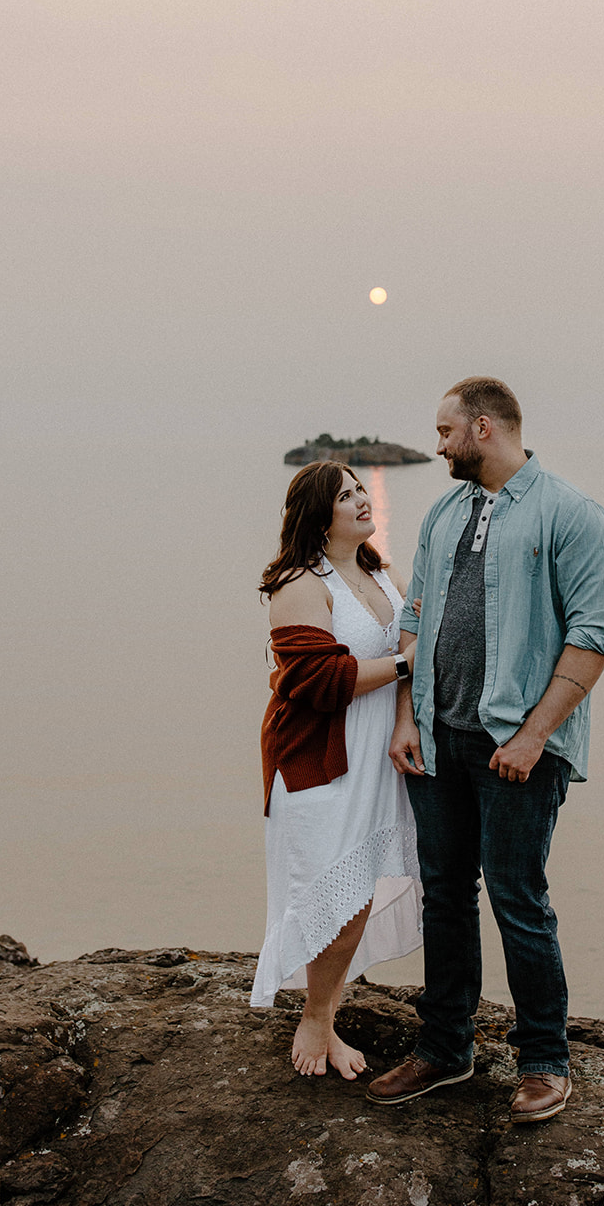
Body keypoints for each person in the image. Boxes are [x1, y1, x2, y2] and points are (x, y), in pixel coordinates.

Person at [366, 377, 604, 1122]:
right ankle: (446, 1049)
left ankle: (544, 1061)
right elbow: (415, 616)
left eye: (444, 431)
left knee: (518, 900)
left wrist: (535, 734)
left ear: (482, 428)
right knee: (444, 896)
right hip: (438, 741)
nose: (436, 444)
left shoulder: (572, 516)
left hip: (518, 749)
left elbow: (594, 635)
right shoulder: (445, 512)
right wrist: (407, 718)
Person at [251, 461, 423, 1079]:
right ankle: (316, 1020)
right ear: (318, 515)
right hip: (320, 761)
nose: (359, 500)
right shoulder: (300, 581)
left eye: (359, 490)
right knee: (330, 893)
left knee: (358, 889)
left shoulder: (383, 573)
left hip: (378, 756)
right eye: (344, 495)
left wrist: (406, 716)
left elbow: (416, 641)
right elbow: (321, 681)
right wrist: (407, 666)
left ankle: (324, 1015)